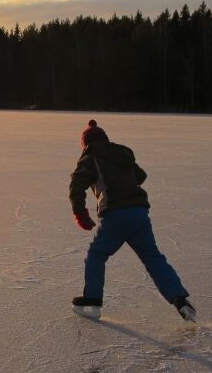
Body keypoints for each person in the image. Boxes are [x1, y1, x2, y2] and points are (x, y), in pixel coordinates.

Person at [69, 119, 195, 321]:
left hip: (117, 215)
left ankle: (92, 300)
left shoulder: (90, 158)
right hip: (139, 213)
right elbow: (140, 176)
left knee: (97, 254)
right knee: (153, 258)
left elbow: (76, 186)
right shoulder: (122, 154)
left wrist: (80, 214)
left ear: (86, 144)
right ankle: (180, 300)